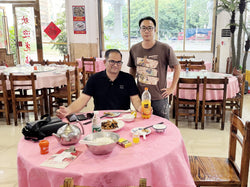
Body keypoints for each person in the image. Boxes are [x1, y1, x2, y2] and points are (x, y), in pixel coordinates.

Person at [56, 49, 141, 119]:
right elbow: (82, 100)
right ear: (105, 62)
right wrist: (68, 110)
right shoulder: (94, 79)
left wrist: (141, 108)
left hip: (123, 117)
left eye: (119, 62)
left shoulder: (128, 78)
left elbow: (135, 99)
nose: (116, 65)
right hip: (100, 118)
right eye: (112, 61)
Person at [128, 16, 181, 119]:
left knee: (162, 125)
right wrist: (131, 87)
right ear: (140, 30)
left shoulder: (165, 48)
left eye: (150, 28)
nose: (146, 31)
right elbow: (133, 69)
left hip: (159, 97)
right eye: (143, 28)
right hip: (140, 97)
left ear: (155, 30)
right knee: (142, 124)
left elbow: (177, 67)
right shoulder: (134, 49)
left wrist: (172, 88)